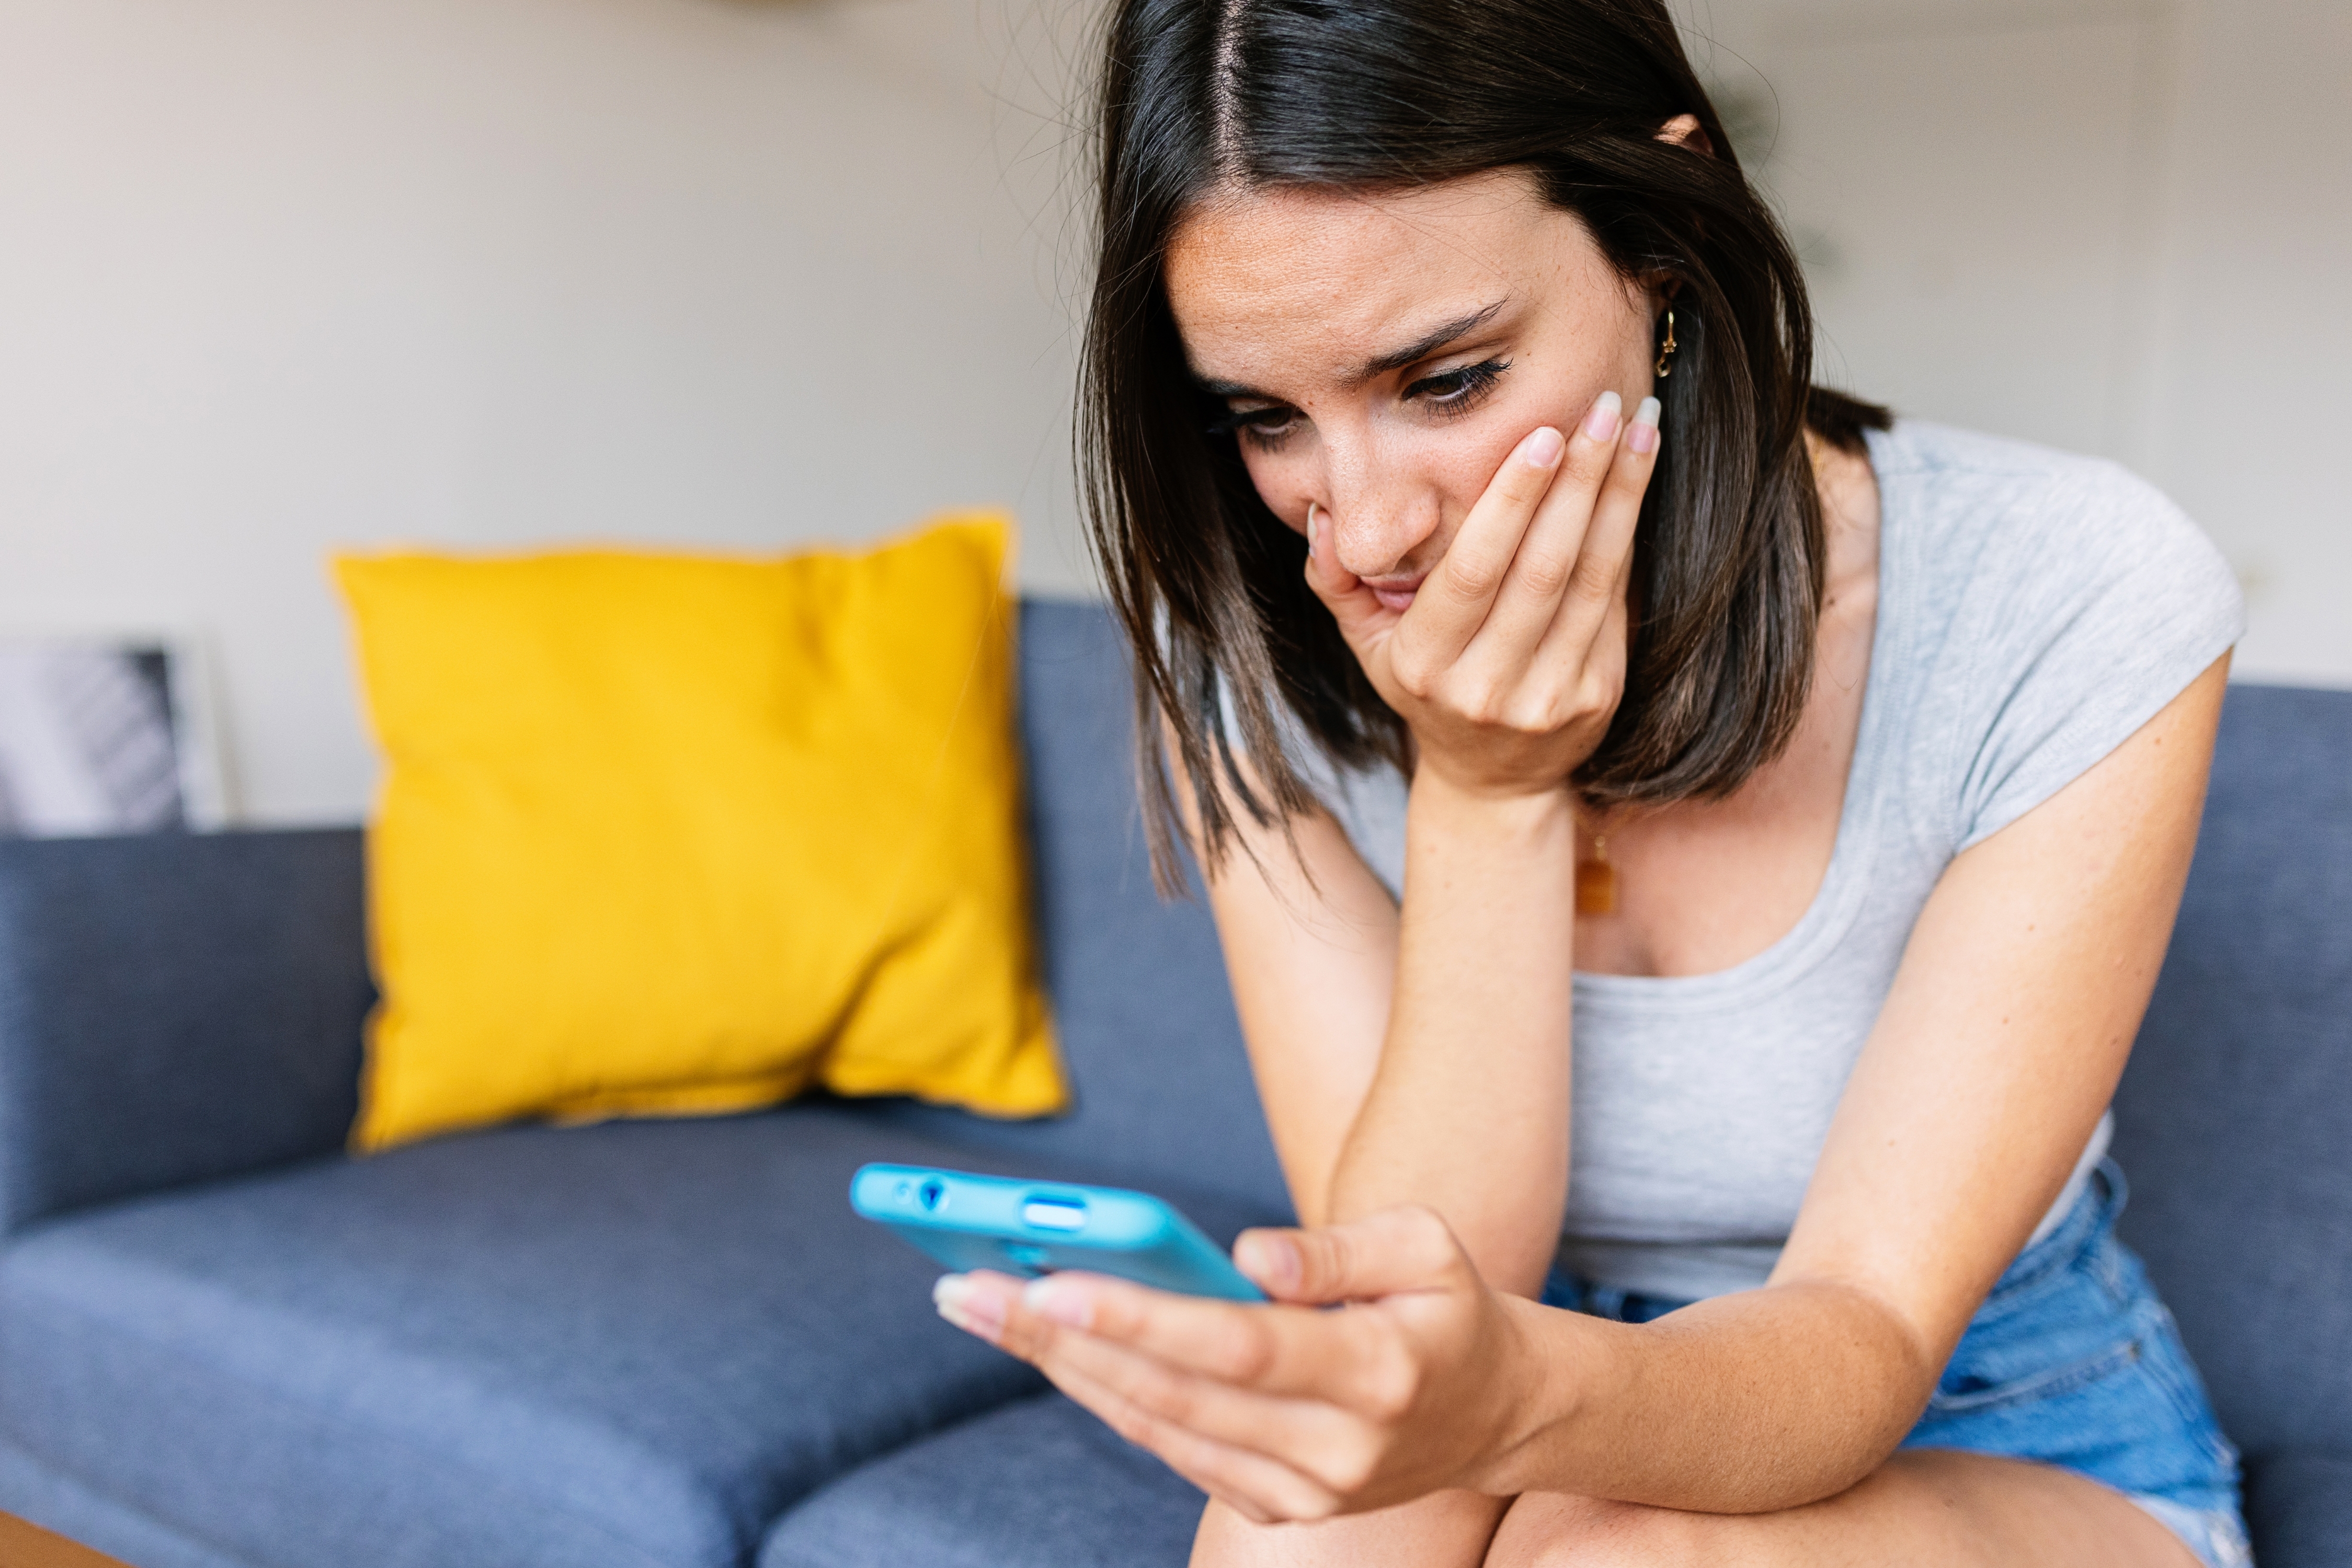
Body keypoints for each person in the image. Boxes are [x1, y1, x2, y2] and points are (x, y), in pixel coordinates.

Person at [929, 2, 2250, 1563]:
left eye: (1444, 380)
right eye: (1263, 418)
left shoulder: (2067, 590)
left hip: (1980, 1410)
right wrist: (1486, 796)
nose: (1358, 536)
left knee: (1604, 1551)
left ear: (1655, 241)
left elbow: (1865, 1336)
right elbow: (1423, 1263)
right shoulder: (1241, 637)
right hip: (1500, 1321)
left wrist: (1507, 1408)